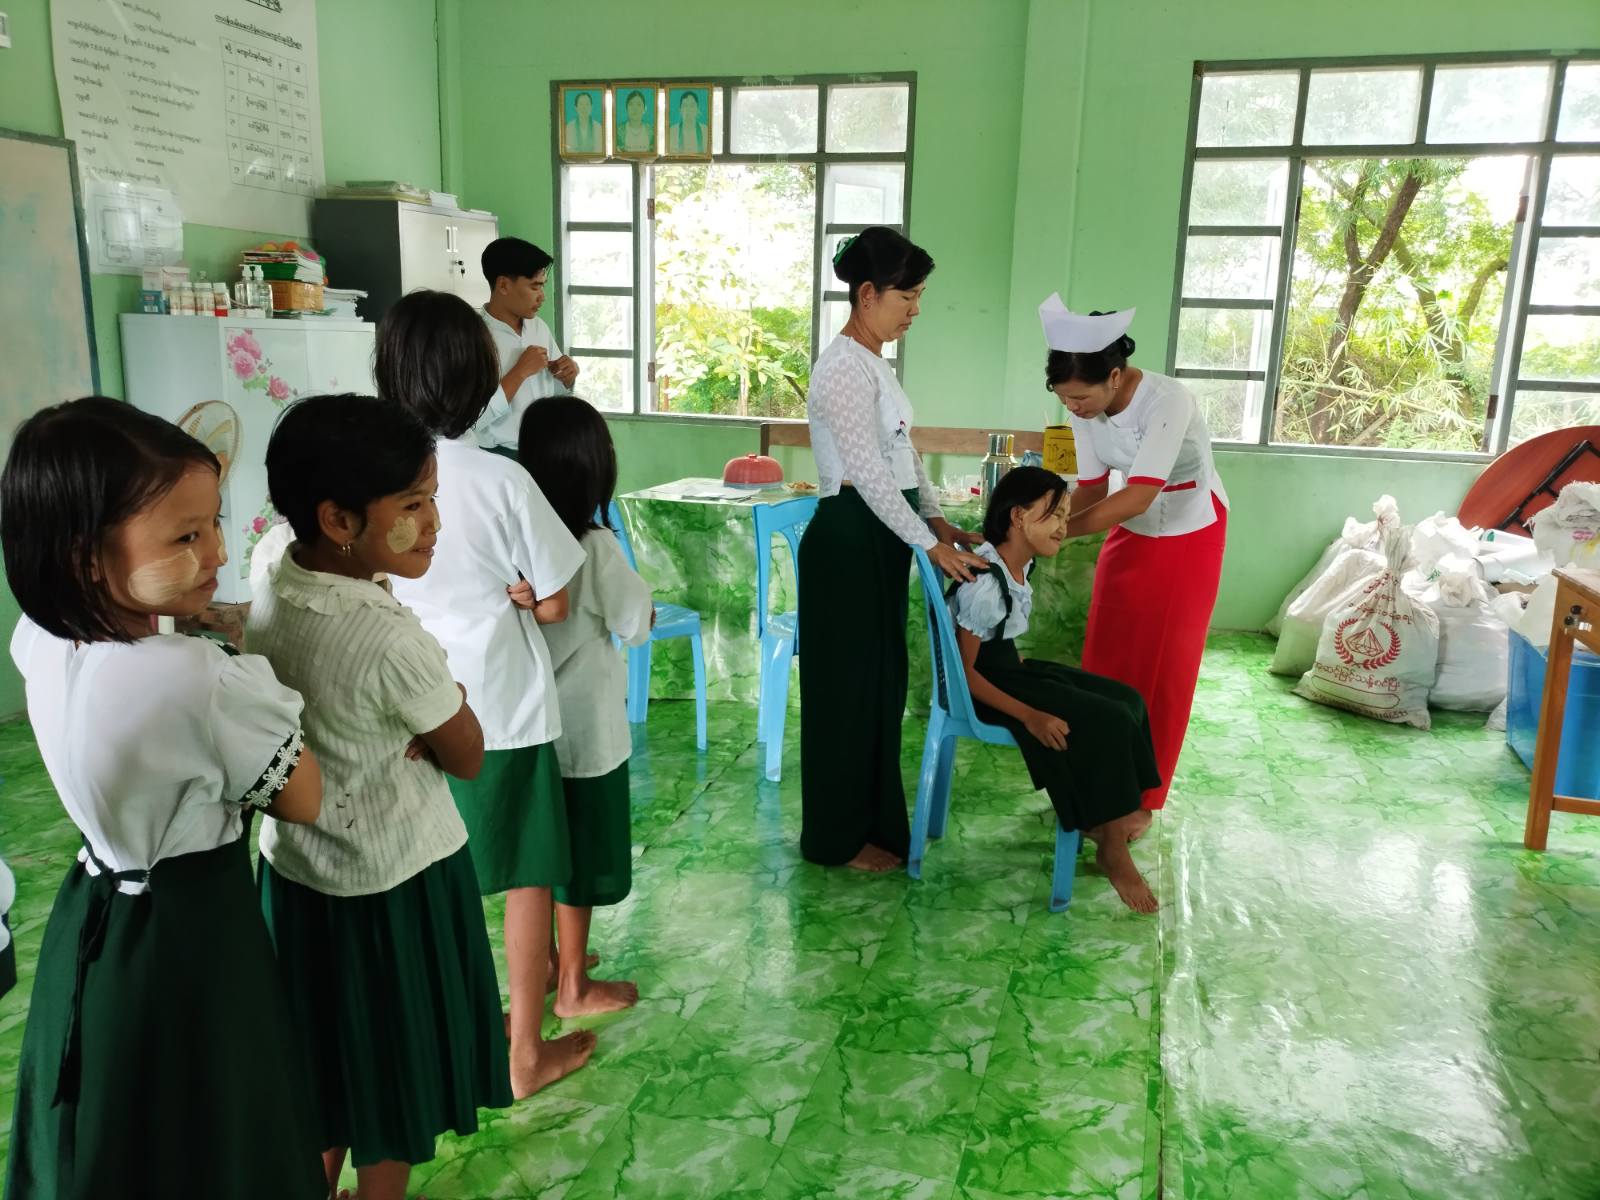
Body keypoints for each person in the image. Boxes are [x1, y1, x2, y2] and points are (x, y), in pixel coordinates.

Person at [0, 397, 325, 1200]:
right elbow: (303, 798)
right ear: (86, 557)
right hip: (190, 932)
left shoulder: (38, 638)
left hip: (96, 912)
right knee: (212, 1128)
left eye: (215, 523)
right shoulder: (197, 679)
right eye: (186, 537)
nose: (218, 552)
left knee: (117, 1124)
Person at [248, 394, 513, 1200]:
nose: (434, 523)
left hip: (299, 874)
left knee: (321, 1065)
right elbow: (467, 754)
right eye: (413, 505)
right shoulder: (390, 641)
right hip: (397, 883)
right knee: (391, 1078)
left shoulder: (271, 567)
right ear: (339, 519)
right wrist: (449, 702)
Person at [376, 290, 596, 1098]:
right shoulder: (501, 478)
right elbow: (558, 598)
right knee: (525, 873)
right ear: (479, 377)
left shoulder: (375, 483)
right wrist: (525, 597)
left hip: (405, 709)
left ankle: (441, 1041)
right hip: (500, 704)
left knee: (434, 876)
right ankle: (524, 1054)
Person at [799, 226, 988, 873]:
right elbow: (866, 473)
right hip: (848, 539)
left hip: (882, 534)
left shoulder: (875, 364)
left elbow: (903, 454)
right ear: (867, 294)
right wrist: (926, 542)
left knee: (880, 686)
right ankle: (836, 840)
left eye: (919, 297)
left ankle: (872, 825)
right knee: (846, 693)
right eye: (906, 297)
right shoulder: (839, 368)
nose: (915, 310)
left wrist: (937, 521)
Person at [1040, 295, 1230, 835]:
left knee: (1164, 671)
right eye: (1063, 397)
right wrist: (1047, 521)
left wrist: (1057, 532)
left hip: (1190, 531)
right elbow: (1093, 487)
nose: (1073, 406)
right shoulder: (1082, 406)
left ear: (1115, 375)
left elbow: (1141, 492)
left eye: (1080, 397)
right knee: (1105, 661)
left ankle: (1141, 801)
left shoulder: (1168, 399)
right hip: (1131, 529)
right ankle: (1097, 783)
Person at [948, 467, 1160, 912]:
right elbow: (964, 675)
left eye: (1066, 514)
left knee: (1129, 700)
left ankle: (1110, 816)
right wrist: (1030, 715)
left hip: (1011, 669)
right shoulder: (985, 583)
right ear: (1018, 516)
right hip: (985, 688)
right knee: (1108, 719)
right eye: (1054, 515)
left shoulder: (1020, 561)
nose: (1064, 526)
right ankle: (1112, 849)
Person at [518, 395, 652, 1017]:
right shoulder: (594, 546)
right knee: (580, 857)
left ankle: (548, 962)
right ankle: (573, 985)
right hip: (588, 732)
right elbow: (633, 622)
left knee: (544, 852)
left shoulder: (520, 539)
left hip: (530, 724)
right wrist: (645, 612)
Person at [477, 236, 580, 454]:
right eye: (535, 287)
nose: (542, 297)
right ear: (503, 285)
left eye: (542, 286)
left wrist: (567, 378)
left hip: (543, 451)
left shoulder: (538, 327)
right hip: (498, 455)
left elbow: (554, 394)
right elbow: (473, 420)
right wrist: (520, 372)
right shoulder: (473, 336)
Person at [668, 89, 708, 155]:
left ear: (697, 109)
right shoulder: (672, 131)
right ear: (680, 109)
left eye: (692, 106)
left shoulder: (705, 130)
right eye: (685, 106)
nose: (688, 110)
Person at [565, 89, 603, 155]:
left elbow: (599, 150)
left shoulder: (598, 127)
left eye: (587, 104)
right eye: (581, 104)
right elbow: (568, 149)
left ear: (591, 107)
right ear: (576, 107)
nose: (584, 108)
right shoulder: (569, 127)